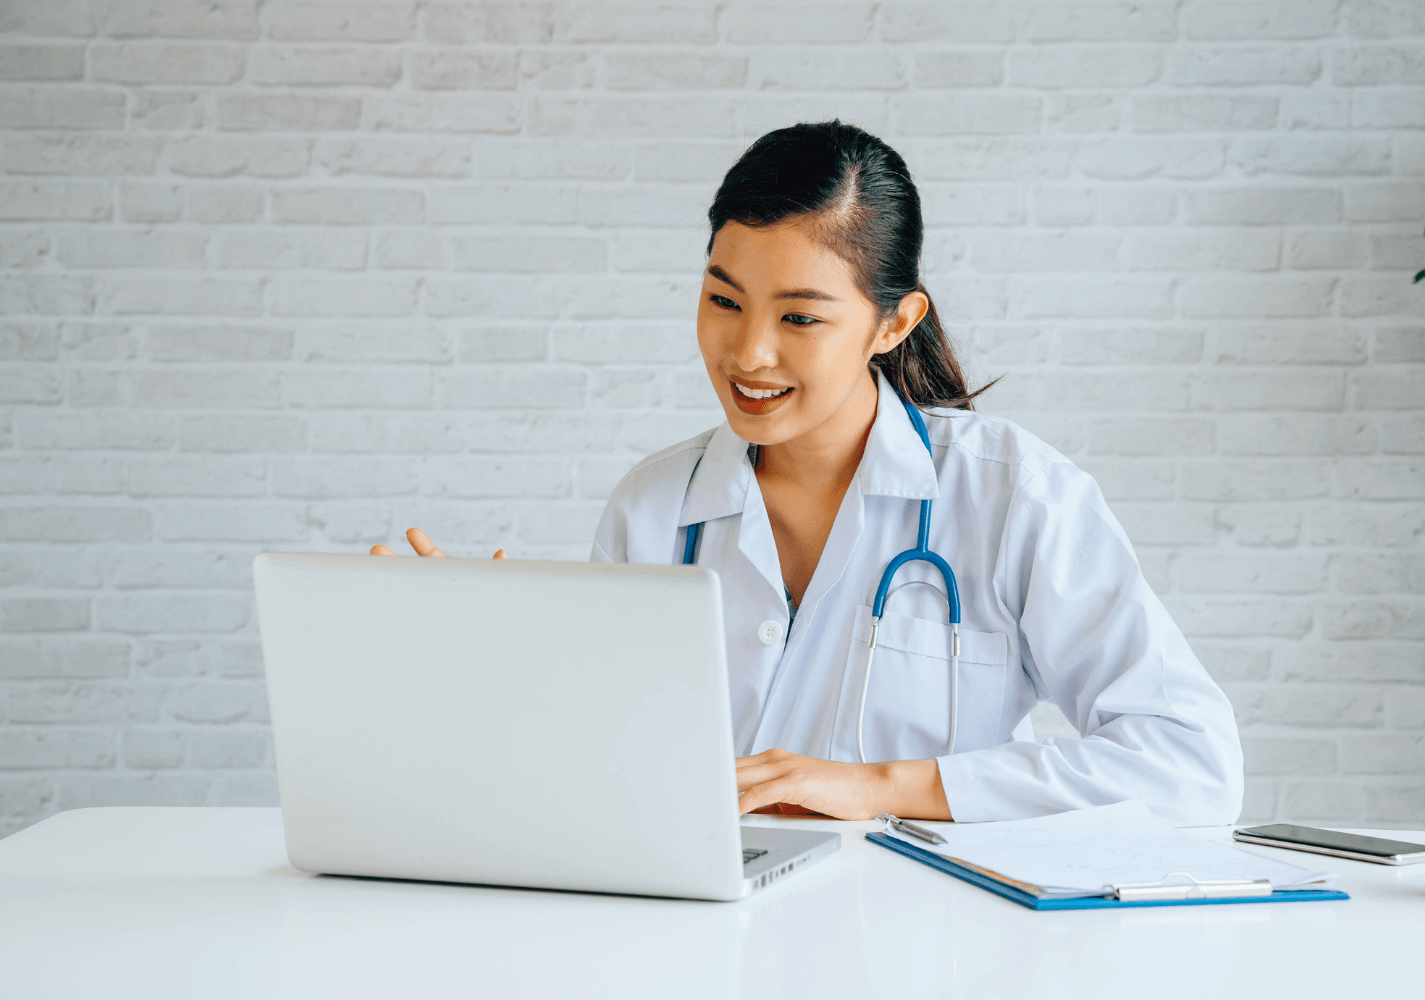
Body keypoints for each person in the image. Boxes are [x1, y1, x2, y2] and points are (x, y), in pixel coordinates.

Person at [374, 120, 1244, 827]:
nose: (748, 353)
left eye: (800, 316)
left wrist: (882, 788)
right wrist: (480, 665)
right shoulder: (654, 511)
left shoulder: (1012, 494)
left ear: (894, 324)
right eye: (723, 300)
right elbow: (603, 777)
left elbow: (1192, 765)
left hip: (925, 954)